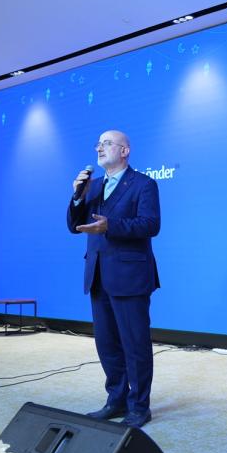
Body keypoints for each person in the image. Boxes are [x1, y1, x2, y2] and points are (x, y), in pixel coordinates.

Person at [67, 130, 161, 428]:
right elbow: (74, 226)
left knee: (135, 345)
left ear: (125, 150)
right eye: (98, 144)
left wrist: (111, 226)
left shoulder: (144, 184)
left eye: (107, 143)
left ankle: (139, 407)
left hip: (130, 276)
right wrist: (77, 196)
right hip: (97, 275)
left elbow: (150, 225)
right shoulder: (93, 186)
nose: (100, 148)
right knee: (107, 345)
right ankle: (116, 399)